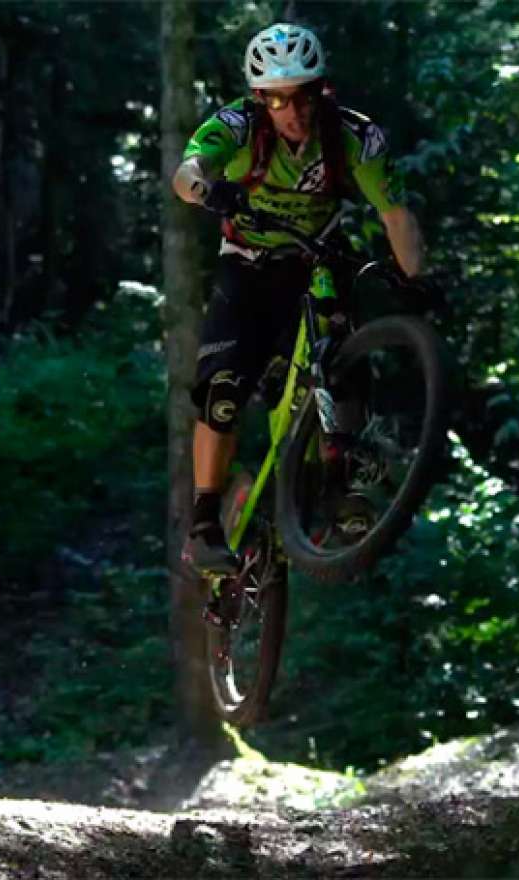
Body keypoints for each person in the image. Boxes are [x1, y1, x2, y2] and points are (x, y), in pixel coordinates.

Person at [172, 22, 426, 575]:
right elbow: (186, 173)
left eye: (304, 95)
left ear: (321, 91)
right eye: (280, 99)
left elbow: (396, 217)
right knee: (221, 391)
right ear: (260, 98)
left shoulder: (357, 137)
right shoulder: (236, 127)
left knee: (340, 358)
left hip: (317, 260)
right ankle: (204, 522)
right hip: (249, 266)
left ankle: (336, 485)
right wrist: (207, 189)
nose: (294, 111)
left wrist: (417, 282)